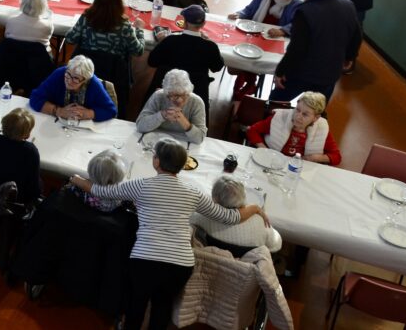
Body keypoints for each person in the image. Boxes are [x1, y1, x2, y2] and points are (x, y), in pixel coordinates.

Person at [69, 138, 268, 330]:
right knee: (162, 308)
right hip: (180, 265)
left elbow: (102, 191)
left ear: (156, 162)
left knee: (136, 305)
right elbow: (229, 216)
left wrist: (76, 179)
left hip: (145, 259)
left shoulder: (140, 185)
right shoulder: (193, 192)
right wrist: (255, 208)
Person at [272, 0, 361, 102]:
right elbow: (356, 36)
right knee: (317, 109)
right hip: (331, 73)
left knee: (276, 103)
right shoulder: (348, 5)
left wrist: (281, 70)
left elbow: (297, 48)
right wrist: (349, 57)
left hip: (304, 73)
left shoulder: (305, 11)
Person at [64, 0, 146, 113]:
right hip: (114, 72)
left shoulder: (87, 18)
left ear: (97, 0)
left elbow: (70, 39)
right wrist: (139, 30)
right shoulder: (124, 25)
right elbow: (138, 50)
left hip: (85, 67)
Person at [146, 4, 224, 108]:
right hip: (195, 95)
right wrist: (208, 41)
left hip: (166, 92)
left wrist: (162, 42)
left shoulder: (170, 41)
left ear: (184, 23)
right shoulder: (210, 46)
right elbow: (217, 67)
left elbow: (152, 62)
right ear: (203, 24)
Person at [192, 176, 283, 256]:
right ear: (243, 197)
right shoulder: (260, 222)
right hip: (245, 265)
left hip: (211, 257)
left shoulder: (200, 216)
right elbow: (276, 244)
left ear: (214, 199)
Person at [246, 91, 341, 165]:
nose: (298, 116)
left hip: (298, 169)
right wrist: (264, 150)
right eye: (297, 110)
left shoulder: (321, 128)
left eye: (305, 114)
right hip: (272, 162)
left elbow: (336, 157)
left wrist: (314, 158)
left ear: (316, 118)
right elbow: (252, 130)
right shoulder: (279, 118)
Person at [28, 56, 118, 122]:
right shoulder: (59, 74)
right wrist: (58, 111)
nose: (69, 81)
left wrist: (89, 113)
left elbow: (111, 110)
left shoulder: (94, 84)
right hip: (57, 123)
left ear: (85, 80)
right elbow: (35, 98)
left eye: (76, 78)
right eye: (68, 74)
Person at [135, 69, 208, 144]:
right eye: (175, 96)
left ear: (189, 92)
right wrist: (162, 115)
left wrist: (184, 122)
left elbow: (200, 138)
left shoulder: (196, 102)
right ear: (167, 93)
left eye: (184, 95)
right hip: (155, 140)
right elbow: (140, 126)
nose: (180, 100)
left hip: (182, 143)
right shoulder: (158, 96)